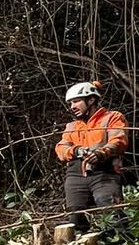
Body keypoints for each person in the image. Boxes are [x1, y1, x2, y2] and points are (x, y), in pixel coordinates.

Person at [55, 80, 129, 231]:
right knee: (75, 218)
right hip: (75, 176)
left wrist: (102, 153)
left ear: (91, 100)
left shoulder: (112, 117)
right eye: (70, 103)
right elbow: (61, 148)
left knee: (111, 212)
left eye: (76, 102)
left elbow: (119, 140)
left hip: (105, 173)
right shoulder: (72, 126)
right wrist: (76, 151)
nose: (72, 107)